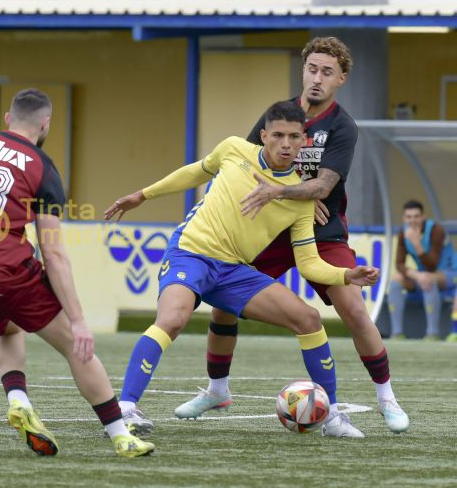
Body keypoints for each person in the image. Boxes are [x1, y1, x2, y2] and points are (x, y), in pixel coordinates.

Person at [0, 88, 154, 458]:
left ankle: (19, 401)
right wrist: (79, 320)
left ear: (7, 118)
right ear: (45, 123)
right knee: (73, 346)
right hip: (5, 269)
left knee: (8, 327)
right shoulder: (43, 168)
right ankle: (121, 435)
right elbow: (54, 253)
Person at [104, 101, 379, 439]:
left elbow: (308, 262)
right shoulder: (234, 149)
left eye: (294, 137)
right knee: (173, 319)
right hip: (191, 254)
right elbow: (195, 171)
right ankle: (127, 407)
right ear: (263, 136)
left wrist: (345, 276)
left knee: (308, 319)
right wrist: (142, 195)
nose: (286, 144)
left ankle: (332, 417)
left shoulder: (301, 199)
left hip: (234, 270)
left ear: (303, 141)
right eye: (277, 135)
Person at [181, 37, 409, 435]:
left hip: (322, 233)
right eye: (312, 69)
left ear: (341, 78)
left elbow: (322, 188)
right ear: (303, 70)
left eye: (327, 72)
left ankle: (387, 397)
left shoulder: (342, 127)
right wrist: (289, 197)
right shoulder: (279, 116)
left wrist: (290, 192)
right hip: (269, 229)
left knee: (354, 309)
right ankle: (218, 389)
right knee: (223, 304)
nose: (317, 79)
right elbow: (249, 166)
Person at [387, 199, 456, 340]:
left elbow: (432, 265)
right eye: (409, 217)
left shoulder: (436, 229)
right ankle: (397, 333)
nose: (412, 220)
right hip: (424, 274)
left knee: (428, 279)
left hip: (449, 273)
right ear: (404, 218)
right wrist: (416, 275)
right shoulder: (403, 232)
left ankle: (433, 333)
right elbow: (399, 264)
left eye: (416, 216)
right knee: (396, 280)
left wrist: (417, 244)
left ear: (423, 216)